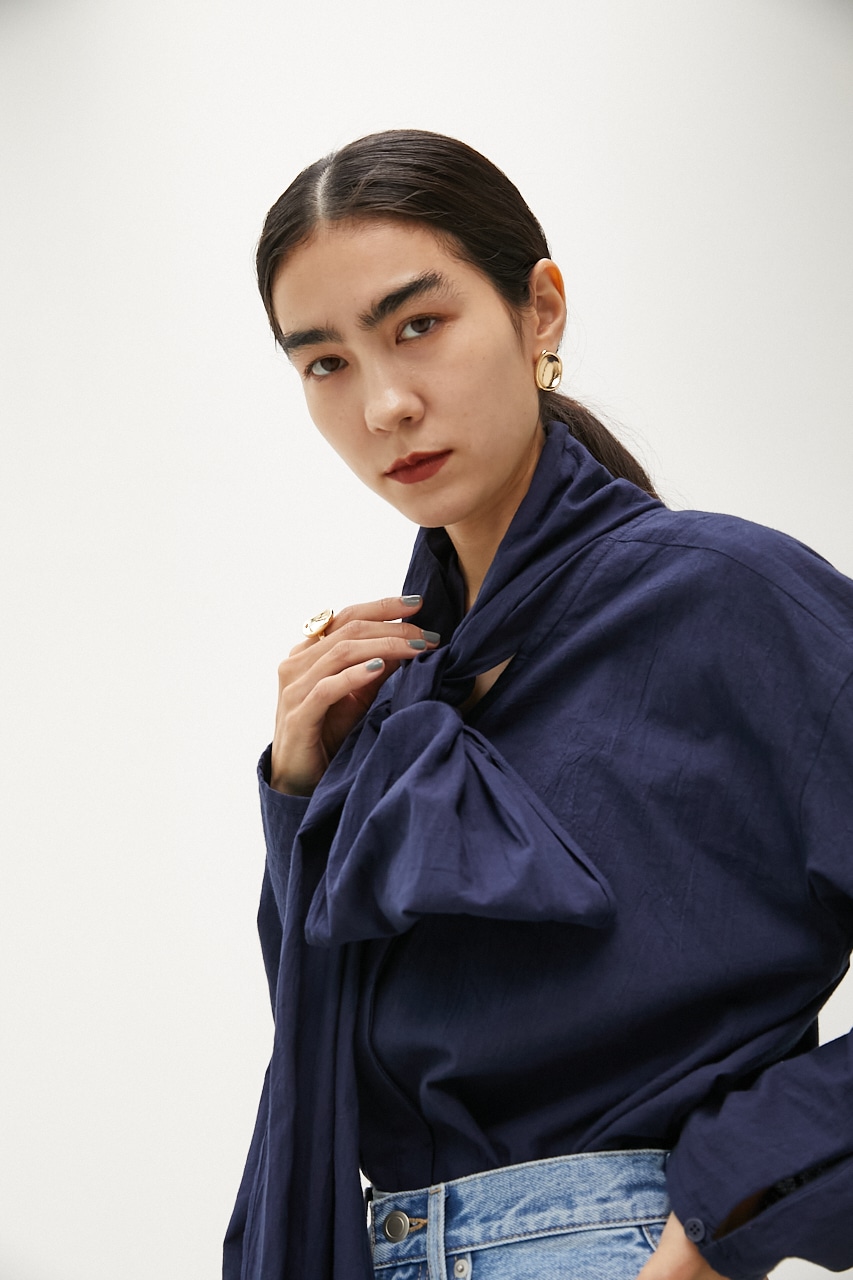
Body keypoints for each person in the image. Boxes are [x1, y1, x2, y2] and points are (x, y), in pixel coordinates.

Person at [224, 130, 853, 1280]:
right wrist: (301, 797)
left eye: (418, 324)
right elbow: (338, 1057)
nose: (385, 403)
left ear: (539, 311)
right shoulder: (392, 692)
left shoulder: (734, 598)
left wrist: (717, 1213)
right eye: (325, 363)